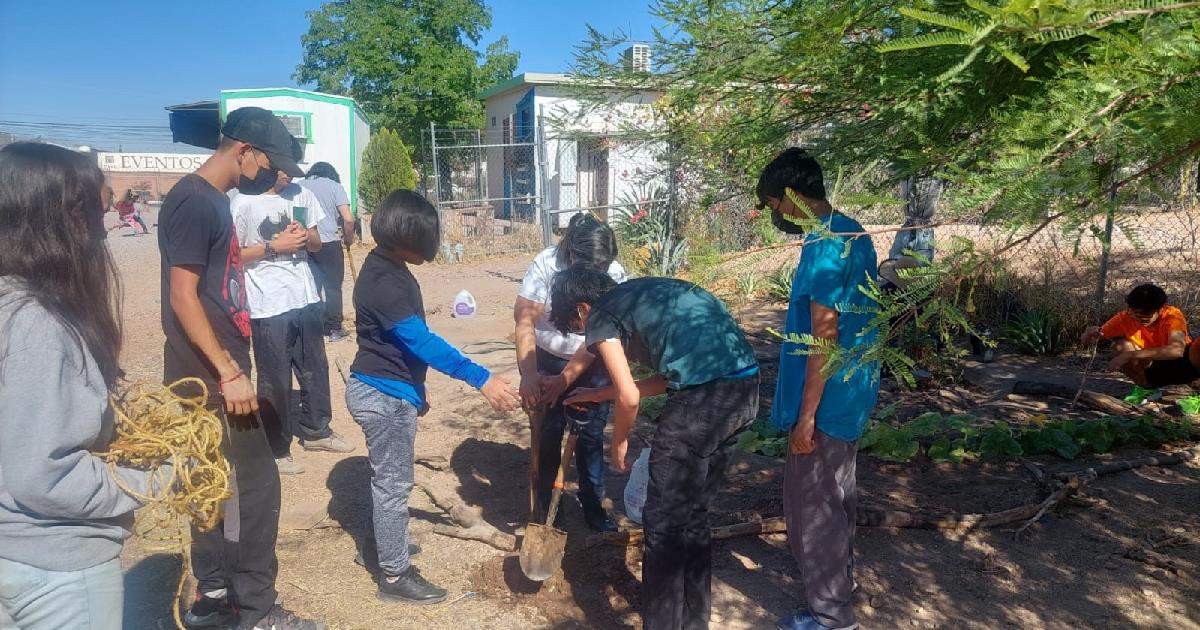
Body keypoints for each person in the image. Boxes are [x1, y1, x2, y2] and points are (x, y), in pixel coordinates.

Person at [158, 106, 322, 630]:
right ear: (242, 149)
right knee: (255, 487)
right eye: (267, 160)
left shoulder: (212, 201)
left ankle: (212, 597)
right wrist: (229, 371)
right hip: (209, 378)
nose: (271, 172)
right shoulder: (194, 200)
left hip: (214, 371)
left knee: (212, 485)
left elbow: (218, 273)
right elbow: (183, 296)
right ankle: (255, 611)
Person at [0, 143, 164, 629]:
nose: (104, 229)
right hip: (56, 569)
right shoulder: (36, 327)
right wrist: (159, 477)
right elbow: (48, 476)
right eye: (100, 208)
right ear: (68, 216)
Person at [553, 271, 760, 630]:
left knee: (663, 526)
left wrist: (618, 444)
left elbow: (630, 397)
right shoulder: (644, 295)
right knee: (694, 516)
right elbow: (671, 376)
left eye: (578, 325)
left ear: (582, 308)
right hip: (744, 392)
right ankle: (694, 622)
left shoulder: (601, 313)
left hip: (701, 406)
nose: (590, 337)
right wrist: (600, 394)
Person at [346, 189, 519, 604]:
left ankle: (386, 546)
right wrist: (481, 377)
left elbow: (400, 347)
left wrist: (416, 390)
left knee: (390, 481)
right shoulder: (385, 282)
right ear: (409, 237)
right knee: (393, 485)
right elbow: (421, 343)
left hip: (391, 390)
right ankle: (394, 576)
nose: (434, 243)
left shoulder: (387, 265)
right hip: (382, 396)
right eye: (429, 236)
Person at [757, 148, 880, 630]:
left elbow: (823, 335)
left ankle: (831, 617)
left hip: (828, 398)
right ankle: (841, 586)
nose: (777, 215)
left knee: (815, 506)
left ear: (793, 196)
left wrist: (806, 416)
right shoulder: (854, 230)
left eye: (777, 205)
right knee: (839, 493)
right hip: (855, 386)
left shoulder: (824, 244)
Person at [233, 170, 353, 476]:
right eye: (284, 169)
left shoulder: (301, 195)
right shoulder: (243, 202)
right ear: (268, 167)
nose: (290, 175)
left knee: (315, 367)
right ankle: (276, 447)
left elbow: (314, 243)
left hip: (306, 297)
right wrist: (275, 246)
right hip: (268, 303)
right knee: (275, 377)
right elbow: (232, 256)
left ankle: (317, 431)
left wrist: (305, 235)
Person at [514, 213, 627, 532]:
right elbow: (524, 322)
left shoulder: (613, 272)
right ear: (572, 256)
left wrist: (567, 379)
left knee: (590, 436)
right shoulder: (546, 266)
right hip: (547, 357)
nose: (601, 272)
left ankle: (593, 506)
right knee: (548, 433)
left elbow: (604, 336)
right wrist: (530, 374)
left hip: (596, 360)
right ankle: (550, 506)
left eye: (603, 268)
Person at [1081, 283, 1198, 404]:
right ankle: (1146, 389)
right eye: (1137, 313)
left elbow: (1176, 351)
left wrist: (1130, 355)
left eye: (1147, 314)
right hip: (1150, 364)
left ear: (1161, 309)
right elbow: (1090, 340)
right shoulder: (1124, 318)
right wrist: (1088, 334)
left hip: (1182, 364)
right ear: (1130, 309)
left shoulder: (1173, 316)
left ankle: (1196, 394)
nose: (1141, 318)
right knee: (1120, 346)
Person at [298, 162, 356, 342]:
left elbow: (298, 218)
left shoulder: (299, 186)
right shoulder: (335, 187)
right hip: (329, 243)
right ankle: (334, 329)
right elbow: (348, 218)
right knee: (333, 288)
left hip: (306, 242)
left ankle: (311, 327)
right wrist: (349, 238)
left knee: (310, 286)